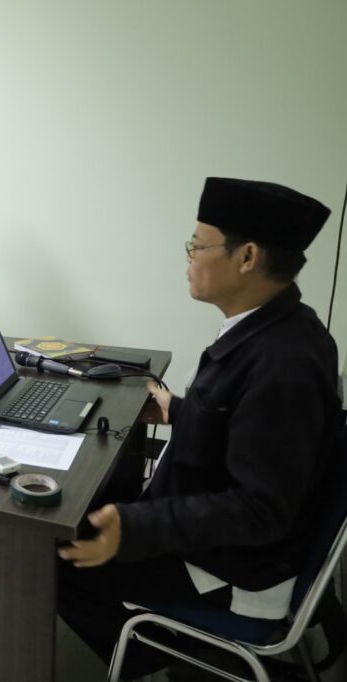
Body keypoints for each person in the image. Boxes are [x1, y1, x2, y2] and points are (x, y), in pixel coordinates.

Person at [56, 178, 341, 680]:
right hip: (220, 536)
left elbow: (259, 509)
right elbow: (251, 426)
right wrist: (181, 411)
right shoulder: (281, 326)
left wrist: (136, 528)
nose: (188, 259)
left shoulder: (283, 364)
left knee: (49, 559)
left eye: (197, 246)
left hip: (231, 567)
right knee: (89, 508)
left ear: (247, 257)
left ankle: (167, 659)